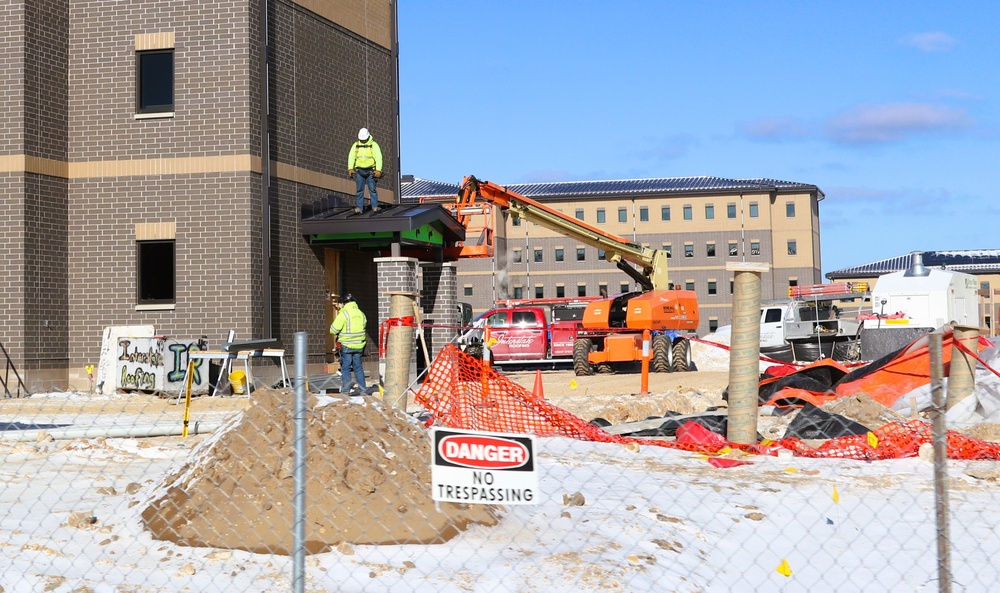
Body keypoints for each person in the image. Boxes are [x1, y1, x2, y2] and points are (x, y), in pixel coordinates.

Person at [329, 293, 368, 393]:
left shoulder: (344, 314)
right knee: (358, 367)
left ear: (343, 303)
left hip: (347, 346)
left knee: (345, 368)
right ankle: (363, 389)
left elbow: (333, 330)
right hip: (359, 345)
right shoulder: (361, 313)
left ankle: (346, 390)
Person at [347, 127, 383, 214]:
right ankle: (359, 208)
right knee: (359, 190)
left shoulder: (373, 145)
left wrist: (378, 170)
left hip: (371, 170)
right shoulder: (356, 145)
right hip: (360, 171)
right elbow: (351, 157)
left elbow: (378, 158)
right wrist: (350, 168)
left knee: (372, 190)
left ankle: (374, 206)